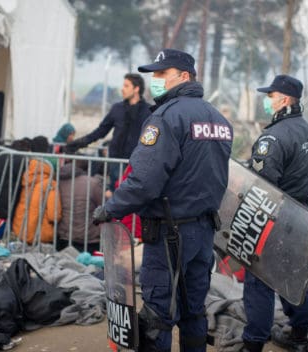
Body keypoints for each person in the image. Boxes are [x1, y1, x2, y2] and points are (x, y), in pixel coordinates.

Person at [92, 48, 232, 351]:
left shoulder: (165, 118)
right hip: (204, 231)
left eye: (161, 74)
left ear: (183, 76)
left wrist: (109, 209)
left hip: (169, 234)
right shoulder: (219, 119)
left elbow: (143, 181)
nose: (155, 80)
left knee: (158, 315)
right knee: (194, 310)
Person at [244, 74, 308, 352]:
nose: (267, 101)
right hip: (301, 213)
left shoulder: (273, 137)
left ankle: (254, 341)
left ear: (284, 99)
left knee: (260, 277)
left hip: (274, 214)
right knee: (294, 274)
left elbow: (262, 183)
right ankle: (300, 332)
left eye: (270, 96)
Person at [67, 73, 152, 189]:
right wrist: (78, 143)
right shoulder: (117, 108)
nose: (122, 89)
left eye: (126, 86)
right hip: (116, 162)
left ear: (136, 89)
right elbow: (101, 131)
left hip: (137, 163)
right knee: (115, 193)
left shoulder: (148, 111)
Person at [12, 136, 62, 244]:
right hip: (39, 234)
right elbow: (54, 215)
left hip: (20, 229)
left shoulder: (26, 176)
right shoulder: (50, 183)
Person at [56, 158, 104, 252]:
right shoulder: (93, 183)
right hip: (88, 238)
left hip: (64, 235)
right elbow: (104, 207)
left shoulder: (58, 180)